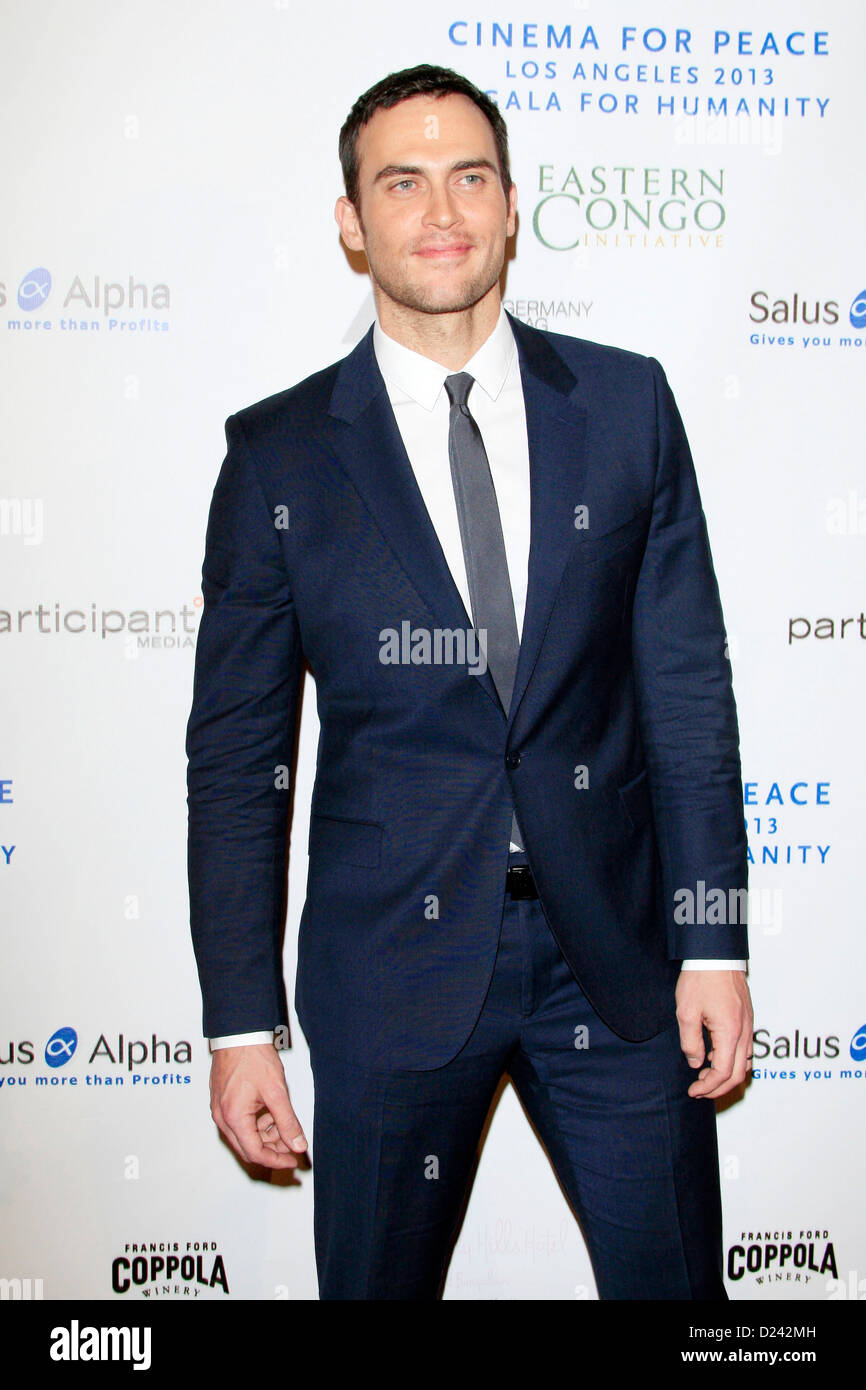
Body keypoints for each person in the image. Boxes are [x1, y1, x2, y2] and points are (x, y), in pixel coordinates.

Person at [186, 63, 753, 1300]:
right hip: (386, 970)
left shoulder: (624, 406)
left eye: (467, 178)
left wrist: (711, 937)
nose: (438, 210)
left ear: (508, 207)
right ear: (351, 221)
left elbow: (685, 693)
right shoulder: (277, 455)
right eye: (400, 182)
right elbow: (236, 763)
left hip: (616, 961)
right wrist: (242, 1024)